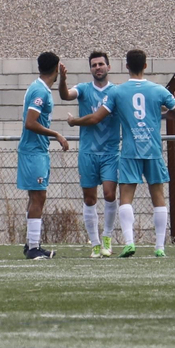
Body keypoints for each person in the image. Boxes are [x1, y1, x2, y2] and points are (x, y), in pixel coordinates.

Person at [73, 49, 175, 257]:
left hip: (130, 150)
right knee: (158, 197)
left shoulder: (117, 92)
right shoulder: (158, 90)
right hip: (153, 150)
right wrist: (162, 112)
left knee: (125, 198)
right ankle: (160, 247)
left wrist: (74, 121)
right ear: (145, 65)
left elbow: (97, 117)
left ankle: (129, 243)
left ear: (126, 66)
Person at [61, 51, 119, 257]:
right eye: (94, 65)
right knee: (89, 198)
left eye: (101, 64)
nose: (98, 67)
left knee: (110, 194)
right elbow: (66, 95)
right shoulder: (84, 89)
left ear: (108, 67)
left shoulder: (116, 92)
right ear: (90, 69)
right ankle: (94, 243)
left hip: (110, 152)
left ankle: (107, 237)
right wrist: (63, 80)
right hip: (88, 152)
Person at [18, 52, 70, 260]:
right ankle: (33, 248)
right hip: (33, 151)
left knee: (36, 197)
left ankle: (31, 243)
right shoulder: (40, 91)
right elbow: (30, 122)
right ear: (56, 68)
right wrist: (56, 134)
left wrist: (63, 79)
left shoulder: (39, 87)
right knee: (39, 196)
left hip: (37, 150)